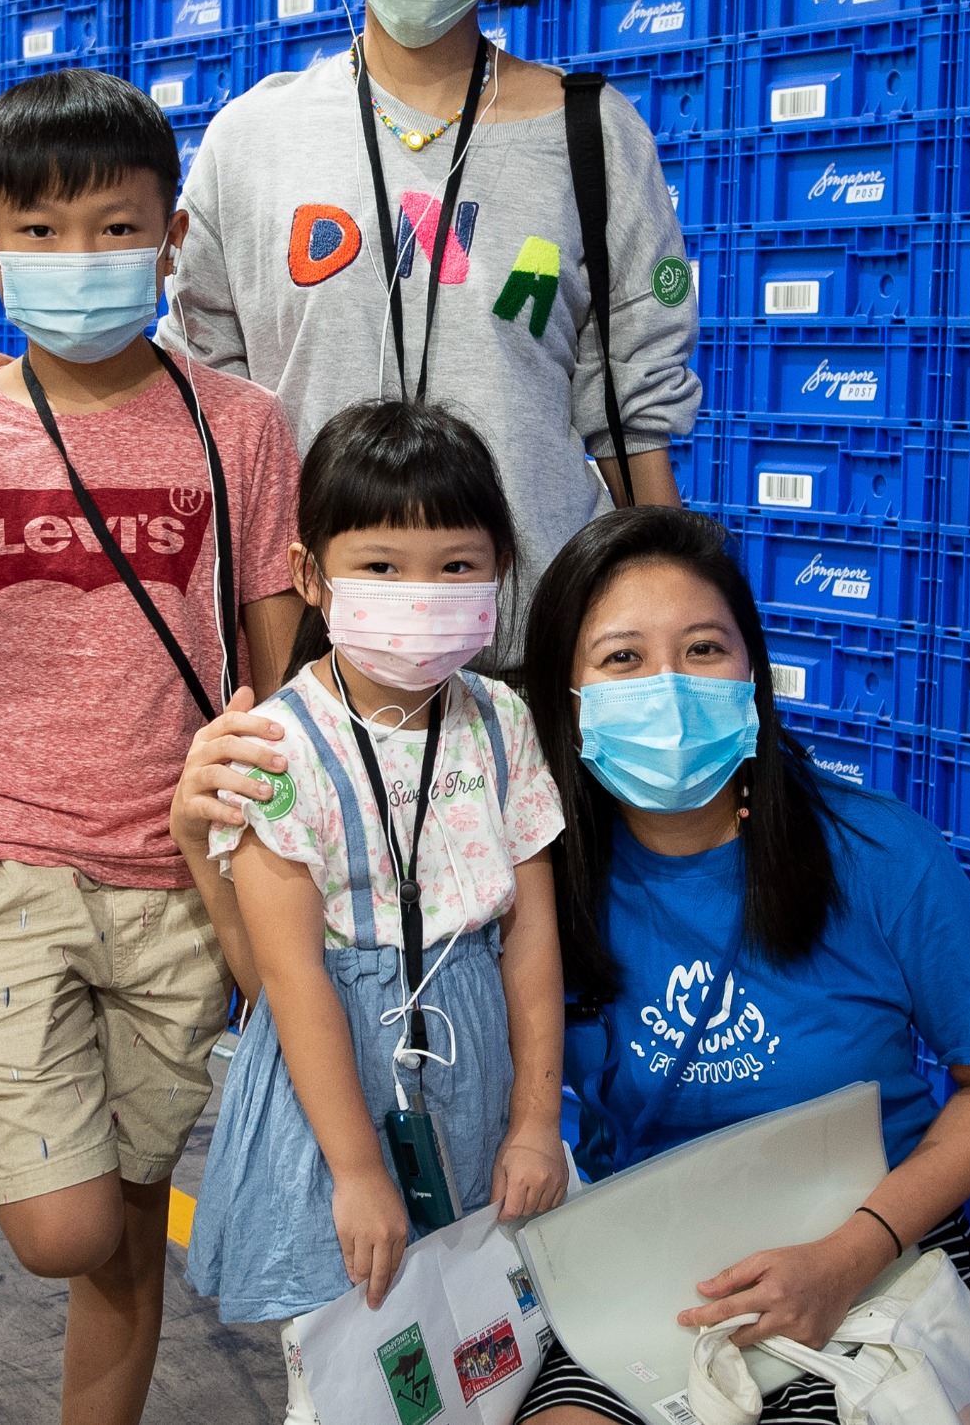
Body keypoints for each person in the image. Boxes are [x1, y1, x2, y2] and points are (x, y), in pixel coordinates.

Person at [0, 68, 307, 1425]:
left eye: (116, 227)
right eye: (42, 231)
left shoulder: (243, 428)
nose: (81, 259)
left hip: (177, 872)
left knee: (127, 1205)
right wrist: (18, 776)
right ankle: (18, 1107)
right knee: (62, 1226)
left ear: (172, 237)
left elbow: (271, 648)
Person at [507, 507, 970, 1424]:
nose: (669, 687)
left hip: (878, 1257)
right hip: (648, 1270)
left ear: (751, 674)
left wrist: (850, 1253)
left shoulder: (878, 852)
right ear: (564, 698)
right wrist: (219, 850)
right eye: (623, 659)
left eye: (704, 650)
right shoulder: (534, 881)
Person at [158, 0, 703, 655]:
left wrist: (678, 633)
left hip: (528, 642)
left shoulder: (592, 133)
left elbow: (632, 406)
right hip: (309, 657)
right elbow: (198, 405)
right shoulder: (252, 138)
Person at [179, 400, 571, 1423]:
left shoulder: (503, 720)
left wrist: (534, 1121)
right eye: (383, 566)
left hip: (475, 1056)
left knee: (484, 1348)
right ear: (312, 576)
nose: (423, 594)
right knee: (354, 1356)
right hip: (336, 1080)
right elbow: (292, 972)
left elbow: (529, 934)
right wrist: (356, 1171)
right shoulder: (274, 748)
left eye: (457, 565)